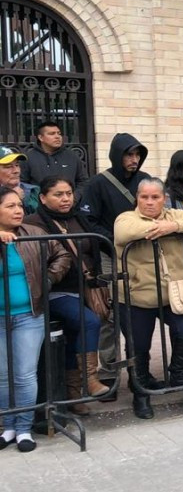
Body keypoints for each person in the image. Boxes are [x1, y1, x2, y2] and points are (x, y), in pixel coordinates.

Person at [113, 177, 183, 419]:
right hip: (136, 296)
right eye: (144, 197)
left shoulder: (174, 215)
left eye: (155, 197)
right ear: (137, 198)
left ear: (164, 199)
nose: (149, 202)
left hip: (174, 295)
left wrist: (173, 226)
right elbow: (124, 233)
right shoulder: (126, 217)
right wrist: (161, 228)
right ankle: (141, 392)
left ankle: (178, 373)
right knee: (138, 346)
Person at [24, 176, 111, 414]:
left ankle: (73, 395)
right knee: (88, 322)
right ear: (43, 198)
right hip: (53, 290)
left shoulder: (78, 218)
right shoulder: (33, 223)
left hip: (84, 288)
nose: (65, 199)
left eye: (69, 194)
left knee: (74, 337)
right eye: (58, 194)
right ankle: (89, 379)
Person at [0, 186, 70, 452]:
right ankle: (7, 427)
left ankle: (23, 429)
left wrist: (48, 279)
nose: (18, 210)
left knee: (25, 374)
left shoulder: (33, 233)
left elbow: (62, 254)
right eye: (10, 206)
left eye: (19, 205)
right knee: (3, 375)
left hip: (29, 315)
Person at [80, 133, 150, 392]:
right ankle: (109, 372)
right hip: (109, 256)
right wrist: (115, 239)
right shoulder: (98, 184)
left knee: (140, 313)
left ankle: (139, 371)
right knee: (110, 316)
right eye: (129, 154)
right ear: (117, 155)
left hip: (142, 256)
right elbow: (88, 220)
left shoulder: (145, 181)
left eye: (138, 154)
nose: (134, 159)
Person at [20, 121, 89, 187]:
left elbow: (83, 181)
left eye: (59, 133)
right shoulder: (29, 158)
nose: (57, 136)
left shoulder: (72, 156)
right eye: (52, 134)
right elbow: (22, 183)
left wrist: (74, 195)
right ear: (40, 137)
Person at [0, 147, 39, 214]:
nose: (16, 171)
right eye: (8, 167)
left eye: (17, 165)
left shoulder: (33, 191)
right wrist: (12, 197)